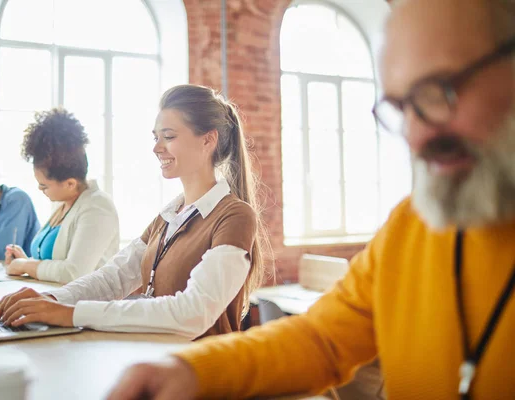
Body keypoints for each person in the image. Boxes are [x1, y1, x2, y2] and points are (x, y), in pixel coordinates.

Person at [106, 0, 515, 399]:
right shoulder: (412, 226)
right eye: (400, 107)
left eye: (439, 92)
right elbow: (321, 339)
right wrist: (190, 370)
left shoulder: (232, 214)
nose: (416, 135)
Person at [0, 84, 270, 339]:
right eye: (155, 137)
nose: (156, 148)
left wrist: (71, 314)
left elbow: (194, 312)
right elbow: (114, 277)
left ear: (208, 140)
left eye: (169, 136)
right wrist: (54, 300)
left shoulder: (235, 216)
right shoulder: (171, 214)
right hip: (159, 360)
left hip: (204, 372)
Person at [3, 108, 120, 284]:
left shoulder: (98, 206)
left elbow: (74, 273)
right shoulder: (65, 204)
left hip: (81, 306)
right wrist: (25, 261)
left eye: (44, 186)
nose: (40, 189)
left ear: (70, 184)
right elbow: (53, 265)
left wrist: (25, 266)